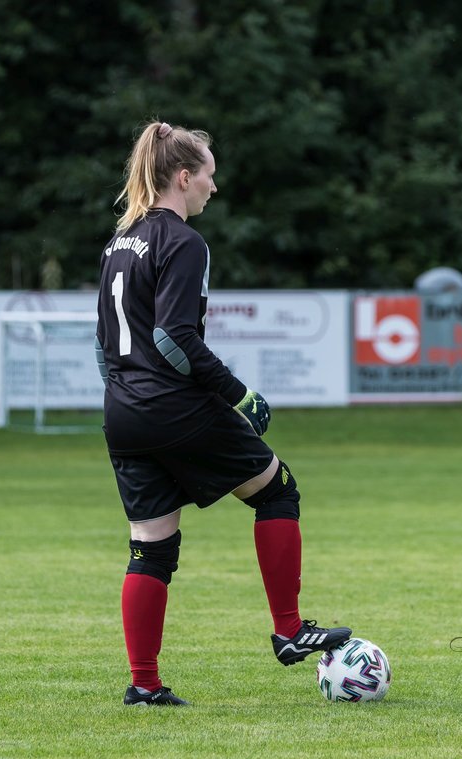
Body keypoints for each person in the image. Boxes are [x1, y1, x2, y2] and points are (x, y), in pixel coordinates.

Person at [95, 120, 351, 706]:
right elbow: (172, 339)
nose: (215, 185)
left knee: (151, 548)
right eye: (209, 173)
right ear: (184, 178)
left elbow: (102, 345)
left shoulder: (120, 241)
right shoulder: (183, 242)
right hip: (174, 406)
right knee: (277, 491)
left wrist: (127, 400)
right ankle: (289, 631)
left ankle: (145, 683)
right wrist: (240, 395)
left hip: (124, 413)